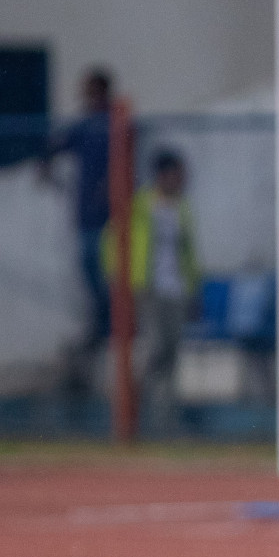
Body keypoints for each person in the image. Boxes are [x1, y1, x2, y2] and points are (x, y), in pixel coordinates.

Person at [107, 149, 199, 434]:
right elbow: (113, 242)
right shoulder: (141, 205)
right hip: (148, 288)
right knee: (156, 350)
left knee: (170, 355)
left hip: (176, 290)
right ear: (163, 175)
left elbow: (189, 252)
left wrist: (194, 288)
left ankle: (164, 422)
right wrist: (120, 281)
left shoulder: (181, 207)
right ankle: (130, 406)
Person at [48, 68, 115, 350]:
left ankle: (109, 323)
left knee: (109, 270)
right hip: (87, 214)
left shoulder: (114, 123)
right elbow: (56, 143)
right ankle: (102, 323)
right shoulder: (84, 125)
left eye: (89, 91)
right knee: (90, 267)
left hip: (111, 217)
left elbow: (124, 161)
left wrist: (108, 187)